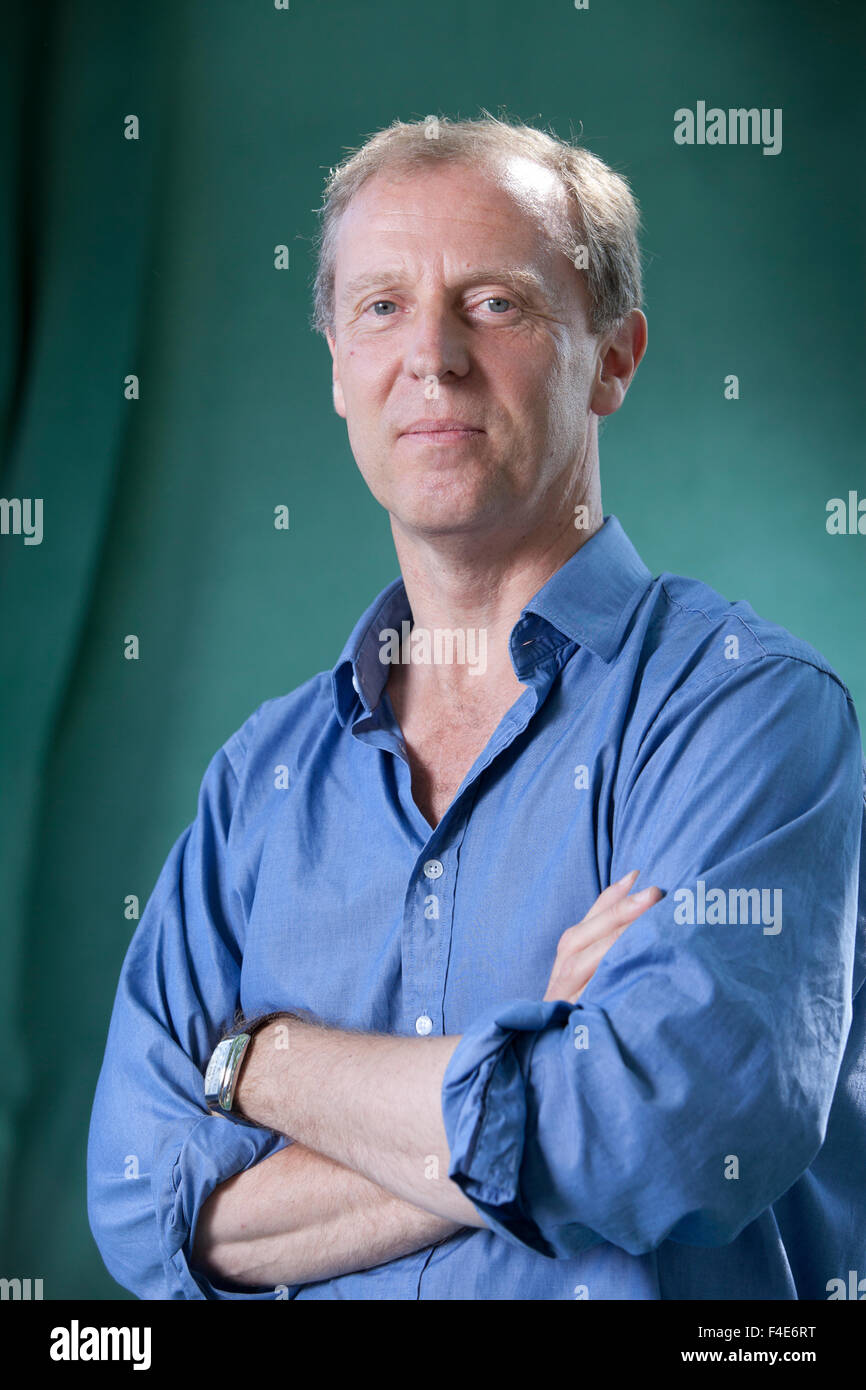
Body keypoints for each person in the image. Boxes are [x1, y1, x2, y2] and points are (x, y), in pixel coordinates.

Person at [87, 114, 866, 1300]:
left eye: (495, 302)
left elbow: (659, 1143)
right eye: (382, 307)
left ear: (612, 357)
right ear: (340, 374)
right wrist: (534, 1053)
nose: (432, 357)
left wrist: (263, 1066)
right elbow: (142, 1208)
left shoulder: (751, 718)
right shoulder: (259, 785)